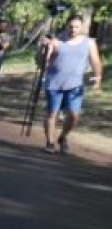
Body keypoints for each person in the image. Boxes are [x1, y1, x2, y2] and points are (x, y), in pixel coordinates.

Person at [39, 15, 104, 154]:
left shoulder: (89, 43)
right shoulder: (57, 41)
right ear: (66, 25)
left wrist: (97, 77)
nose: (73, 29)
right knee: (52, 114)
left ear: (81, 27)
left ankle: (63, 137)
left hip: (75, 85)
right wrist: (44, 49)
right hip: (54, 84)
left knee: (74, 115)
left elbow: (95, 61)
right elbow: (43, 62)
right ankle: (50, 142)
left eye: (76, 27)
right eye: (71, 26)